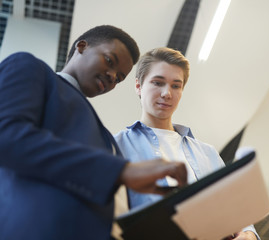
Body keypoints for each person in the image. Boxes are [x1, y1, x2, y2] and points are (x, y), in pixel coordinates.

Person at [0, 26, 187, 240]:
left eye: (119, 78)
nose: (111, 76)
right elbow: (7, 135)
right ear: (81, 46)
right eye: (109, 61)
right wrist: (120, 171)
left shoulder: (106, 137)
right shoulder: (30, 68)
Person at [114, 47, 260, 240]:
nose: (167, 93)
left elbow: (236, 211)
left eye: (176, 85)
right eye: (158, 83)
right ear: (138, 86)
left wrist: (248, 234)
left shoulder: (207, 153)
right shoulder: (116, 146)